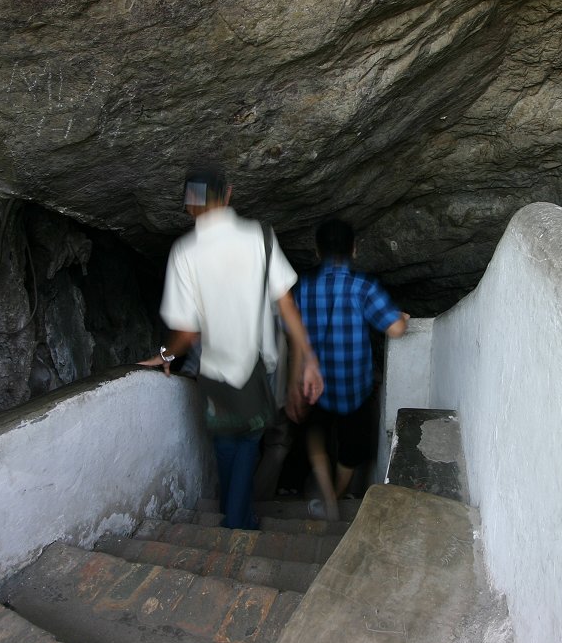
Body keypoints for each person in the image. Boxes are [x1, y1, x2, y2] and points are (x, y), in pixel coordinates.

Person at [139, 166, 323, 530]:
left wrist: (165, 356)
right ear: (228, 194)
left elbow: (186, 330)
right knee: (249, 441)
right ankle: (239, 520)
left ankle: (235, 516)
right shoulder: (261, 238)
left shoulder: (184, 252)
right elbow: (286, 306)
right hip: (256, 368)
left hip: (213, 371)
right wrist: (310, 360)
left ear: (189, 205)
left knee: (226, 443)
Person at [296, 219, 408, 521]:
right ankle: (336, 496)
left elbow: (292, 333)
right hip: (354, 388)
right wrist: (402, 317)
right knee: (350, 448)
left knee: (315, 434)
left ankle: (324, 492)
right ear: (354, 250)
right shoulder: (363, 287)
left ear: (317, 251)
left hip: (315, 386)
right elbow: (396, 329)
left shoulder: (303, 289)